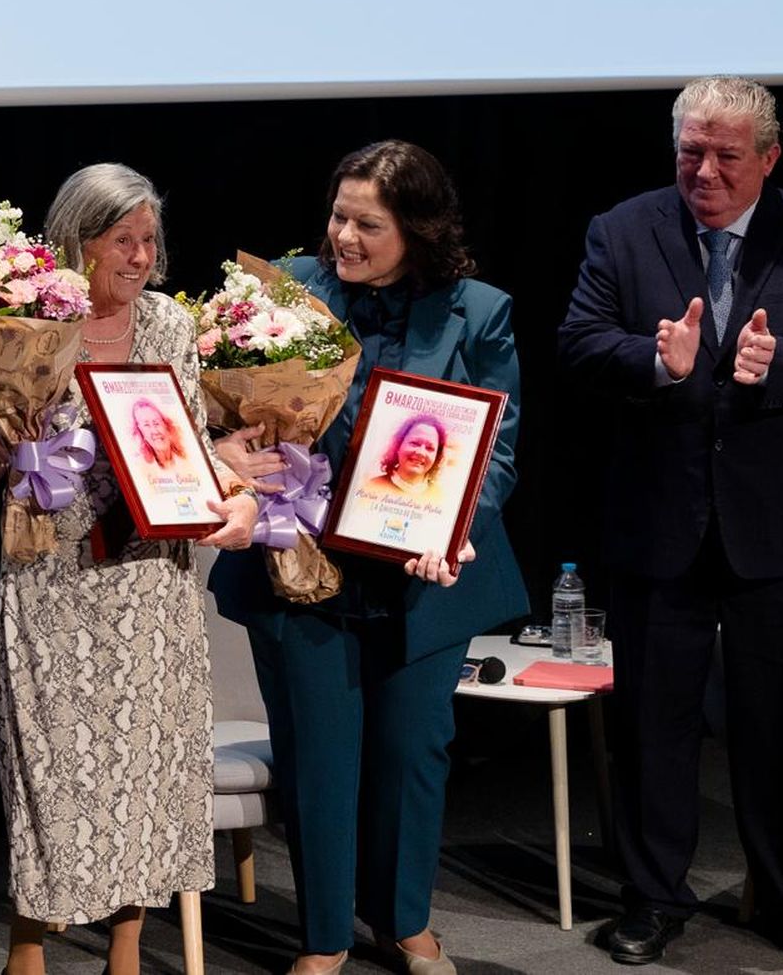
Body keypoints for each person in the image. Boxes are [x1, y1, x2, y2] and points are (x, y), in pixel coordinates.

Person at [558, 76, 783, 966]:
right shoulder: (623, 230)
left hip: (778, 529)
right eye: (690, 152)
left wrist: (782, 363)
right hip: (658, 523)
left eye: (726, 156)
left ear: (768, 159)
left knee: (781, 725)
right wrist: (654, 361)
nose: (703, 171)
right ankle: (651, 901)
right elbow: (580, 341)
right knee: (653, 724)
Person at [210, 140, 529, 975]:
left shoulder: (479, 311)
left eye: (367, 224)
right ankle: (322, 936)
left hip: (422, 577)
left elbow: (494, 447)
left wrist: (456, 525)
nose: (343, 236)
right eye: (338, 216)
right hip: (302, 566)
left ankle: (405, 919)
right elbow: (233, 412)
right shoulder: (282, 292)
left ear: (417, 230)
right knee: (317, 752)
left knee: (411, 750)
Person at [0, 162, 259, 975]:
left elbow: (182, 449)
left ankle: (125, 946)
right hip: (53, 580)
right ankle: (29, 945)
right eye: (124, 240)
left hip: (153, 579)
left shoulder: (168, 330)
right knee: (49, 767)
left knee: (146, 769)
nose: (142, 257)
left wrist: (232, 493)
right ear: (78, 243)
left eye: (150, 240)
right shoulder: (15, 327)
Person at [360, 413, 448, 500]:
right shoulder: (371, 488)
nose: (421, 452)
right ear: (398, 446)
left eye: (429, 448)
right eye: (414, 443)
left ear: (436, 456)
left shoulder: (440, 497)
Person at [130, 396, 191, 470]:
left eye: (156, 423)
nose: (155, 431)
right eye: (146, 425)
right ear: (141, 432)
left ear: (166, 425)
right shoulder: (139, 467)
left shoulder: (189, 456)